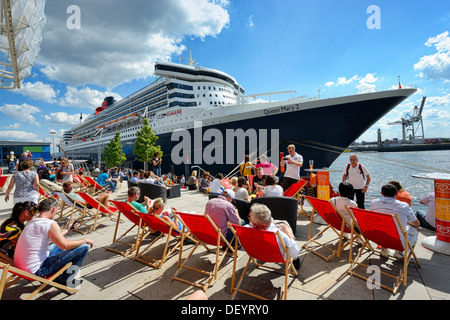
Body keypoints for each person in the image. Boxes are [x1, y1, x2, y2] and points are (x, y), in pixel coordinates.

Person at [14, 198, 93, 286]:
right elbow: (64, 245)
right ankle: (66, 279)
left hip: (21, 267)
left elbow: (54, 240)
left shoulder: (32, 221)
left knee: (59, 245)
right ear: (53, 209)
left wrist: (67, 230)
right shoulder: (50, 224)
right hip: (38, 270)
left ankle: (63, 275)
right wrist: (85, 240)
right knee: (84, 247)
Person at [370, 184, 420, 259]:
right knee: (414, 227)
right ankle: (398, 252)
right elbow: (416, 223)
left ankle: (384, 249)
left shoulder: (373, 203)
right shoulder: (404, 206)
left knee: (383, 226)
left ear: (382, 194)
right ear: (397, 194)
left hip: (378, 238)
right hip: (399, 242)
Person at [247, 203, 300, 269]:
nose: (249, 218)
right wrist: (290, 236)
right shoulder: (279, 235)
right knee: (285, 225)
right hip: (277, 257)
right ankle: (295, 260)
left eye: (249, 217)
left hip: (257, 254)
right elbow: (295, 253)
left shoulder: (244, 230)